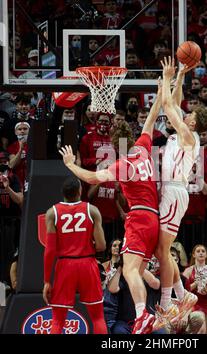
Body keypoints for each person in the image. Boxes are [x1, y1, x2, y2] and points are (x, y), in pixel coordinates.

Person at [59, 82, 162, 334]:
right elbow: (149, 122)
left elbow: (93, 179)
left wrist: (71, 165)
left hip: (138, 216)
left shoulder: (123, 164)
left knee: (128, 269)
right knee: (135, 270)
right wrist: (161, 93)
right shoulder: (143, 150)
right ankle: (146, 316)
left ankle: (142, 315)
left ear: (116, 145)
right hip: (154, 217)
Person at [155, 57, 207, 322]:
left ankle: (167, 303)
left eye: (190, 115)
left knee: (162, 251)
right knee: (163, 251)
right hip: (171, 191)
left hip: (175, 192)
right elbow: (175, 103)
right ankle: (182, 294)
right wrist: (179, 76)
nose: (185, 114)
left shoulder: (190, 136)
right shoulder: (186, 132)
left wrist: (165, 79)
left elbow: (168, 105)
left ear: (194, 123)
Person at [42, 176, 107, 334]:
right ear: (80, 190)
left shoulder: (52, 213)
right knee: (98, 318)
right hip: (87, 264)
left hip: (65, 265)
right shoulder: (91, 210)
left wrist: (46, 281)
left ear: (63, 193)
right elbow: (102, 245)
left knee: (57, 320)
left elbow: (49, 251)